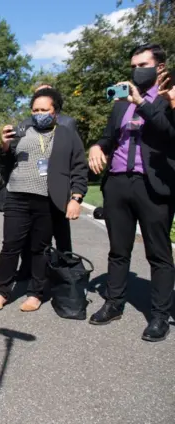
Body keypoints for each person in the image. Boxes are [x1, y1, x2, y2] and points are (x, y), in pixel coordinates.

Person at [87, 44, 175, 342]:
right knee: (118, 249)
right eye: (134, 65)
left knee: (159, 254)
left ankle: (160, 316)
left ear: (160, 67)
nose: (137, 70)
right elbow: (109, 137)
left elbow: (169, 134)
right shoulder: (121, 103)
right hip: (118, 183)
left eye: (144, 64)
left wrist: (144, 103)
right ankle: (114, 303)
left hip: (153, 184)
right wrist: (97, 146)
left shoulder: (168, 98)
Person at [0, 87, 88, 312]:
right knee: (10, 246)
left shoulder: (67, 134)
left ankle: (36, 293)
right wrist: (4, 146)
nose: (39, 113)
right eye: (35, 109)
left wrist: (76, 197)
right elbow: (4, 165)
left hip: (47, 199)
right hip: (17, 196)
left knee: (40, 249)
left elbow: (79, 168)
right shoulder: (21, 131)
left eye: (44, 109)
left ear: (55, 111)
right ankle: (2, 291)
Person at [16, 83, 80, 281]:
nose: (40, 111)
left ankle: (65, 272)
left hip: (57, 187)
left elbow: (75, 159)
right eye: (36, 100)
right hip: (31, 188)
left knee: (61, 233)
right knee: (29, 236)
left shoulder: (68, 124)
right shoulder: (25, 124)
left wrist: (74, 195)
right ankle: (27, 269)